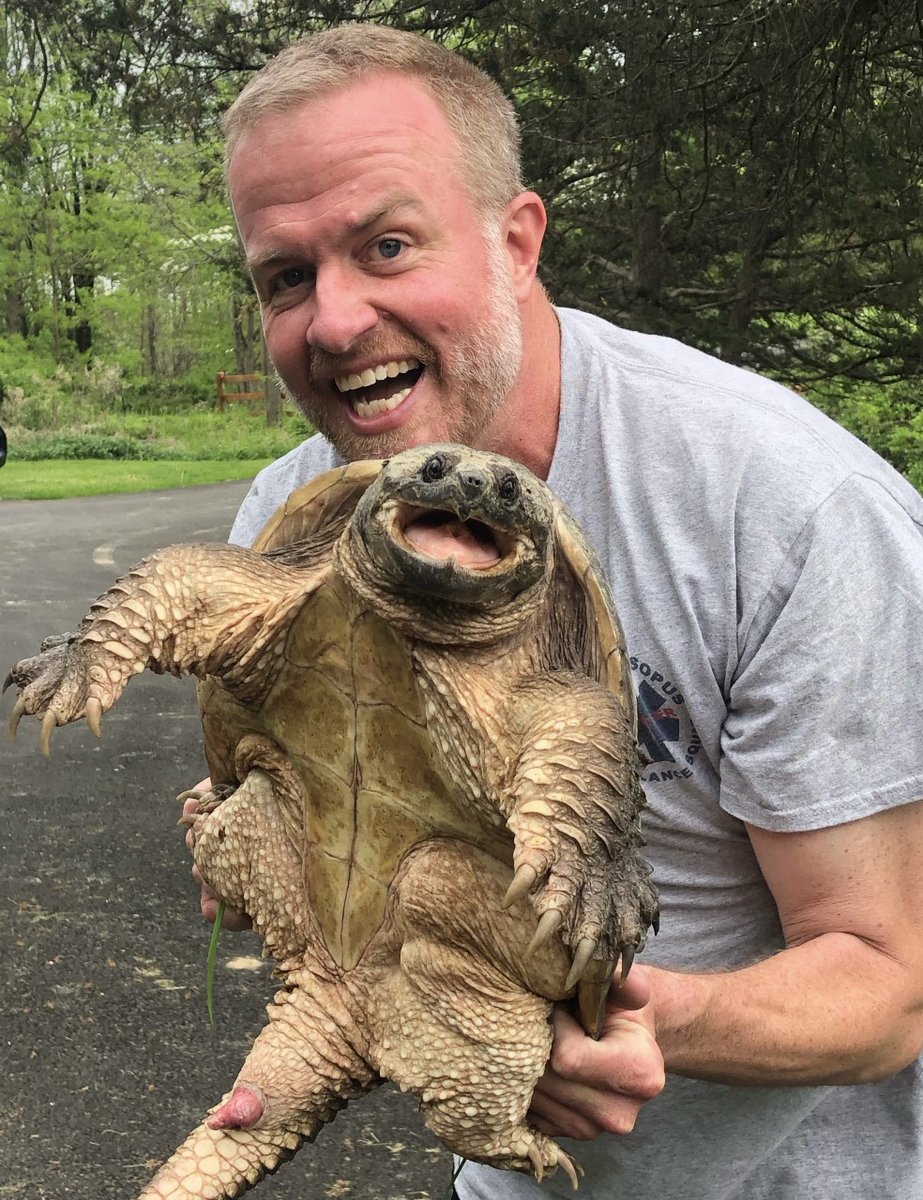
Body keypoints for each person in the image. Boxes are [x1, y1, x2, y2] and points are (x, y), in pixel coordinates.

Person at [188, 23, 923, 1199]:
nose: (332, 322)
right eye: (287, 276)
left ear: (515, 241)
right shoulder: (295, 515)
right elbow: (313, 845)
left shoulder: (775, 508)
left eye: (385, 245)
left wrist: (640, 1019)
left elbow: (887, 985)